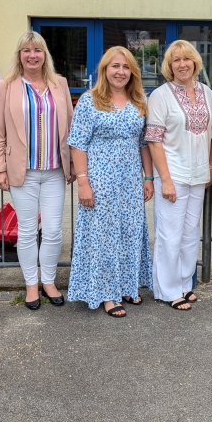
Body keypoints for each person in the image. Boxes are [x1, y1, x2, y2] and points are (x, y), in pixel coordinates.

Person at [67, 46, 154, 318]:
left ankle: (127, 285)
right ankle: (107, 293)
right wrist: (83, 183)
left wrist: (148, 177)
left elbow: (144, 143)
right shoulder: (89, 100)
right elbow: (77, 144)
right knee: (104, 236)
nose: (120, 71)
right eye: (115, 66)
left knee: (130, 232)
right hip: (100, 180)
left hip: (130, 180)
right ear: (104, 70)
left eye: (126, 67)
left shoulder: (140, 100)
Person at [0, 32, 74, 310]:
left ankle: (48, 281)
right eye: (26, 50)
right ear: (19, 55)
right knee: (26, 231)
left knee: (53, 230)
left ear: (44, 55)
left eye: (37, 50)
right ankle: (30, 284)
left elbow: (70, 127)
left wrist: (73, 164)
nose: (32, 55)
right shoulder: (6, 86)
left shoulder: (59, 84)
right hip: (22, 171)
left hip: (54, 171)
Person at [145, 40, 212, 311]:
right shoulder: (160, 95)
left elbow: (210, 134)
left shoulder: (207, 92)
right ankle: (167, 289)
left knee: (190, 234)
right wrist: (165, 180)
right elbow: (154, 140)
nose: (182, 64)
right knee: (169, 234)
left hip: (198, 174)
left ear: (196, 62)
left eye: (187, 58)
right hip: (172, 174)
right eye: (176, 60)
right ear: (169, 65)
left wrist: (210, 168)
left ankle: (185, 283)